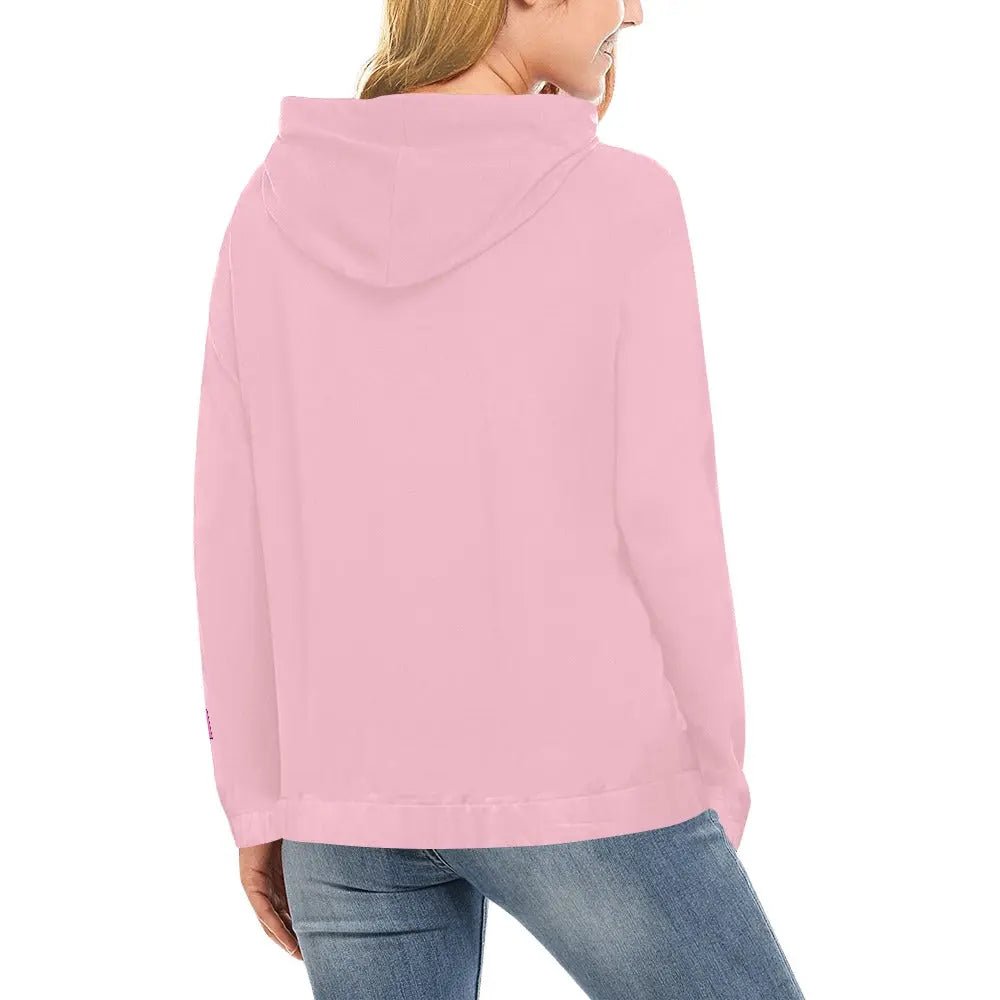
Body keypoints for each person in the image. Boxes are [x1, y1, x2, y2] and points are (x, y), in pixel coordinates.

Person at [192, 1, 805, 996]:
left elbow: (232, 530)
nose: (634, 10)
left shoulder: (266, 208)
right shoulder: (623, 203)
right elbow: (667, 515)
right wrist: (713, 778)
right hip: (589, 779)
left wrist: (260, 797)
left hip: (341, 800)